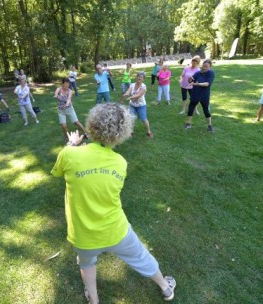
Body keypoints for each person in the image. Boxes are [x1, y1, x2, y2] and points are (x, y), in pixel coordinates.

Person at [51, 103, 176, 304]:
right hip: (116, 230)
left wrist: (71, 146)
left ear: (91, 125)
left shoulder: (69, 155)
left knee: (86, 264)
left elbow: (58, 172)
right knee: (141, 257)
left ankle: (94, 300)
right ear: (122, 134)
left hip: (83, 235)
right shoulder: (120, 163)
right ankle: (166, 288)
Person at [185, 59, 215, 131]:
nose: (204, 68)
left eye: (207, 67)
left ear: (210, 66)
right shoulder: (198, 73)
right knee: (191, 108)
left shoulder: (211, 73)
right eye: (204, 66)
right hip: (195, 93)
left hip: (204, 95)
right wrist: (190, 79)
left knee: (206, 110)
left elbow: (207, 84)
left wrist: (196, 84)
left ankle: (209, 125)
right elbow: (191, 79)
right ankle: (188, 123)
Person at [122, 72, 153, 138]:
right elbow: (129, 90)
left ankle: (149, 132)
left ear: (143, 79)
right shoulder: (132, 85)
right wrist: (126, 94)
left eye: (141, 77)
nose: (139, 78)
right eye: (138, 76)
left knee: (144, 119)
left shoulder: (144, 87)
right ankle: (131, 131)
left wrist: (131, 97)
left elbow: (138, 95)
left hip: (141, 105)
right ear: (136, 77)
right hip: (132, 105)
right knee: (131, 118)